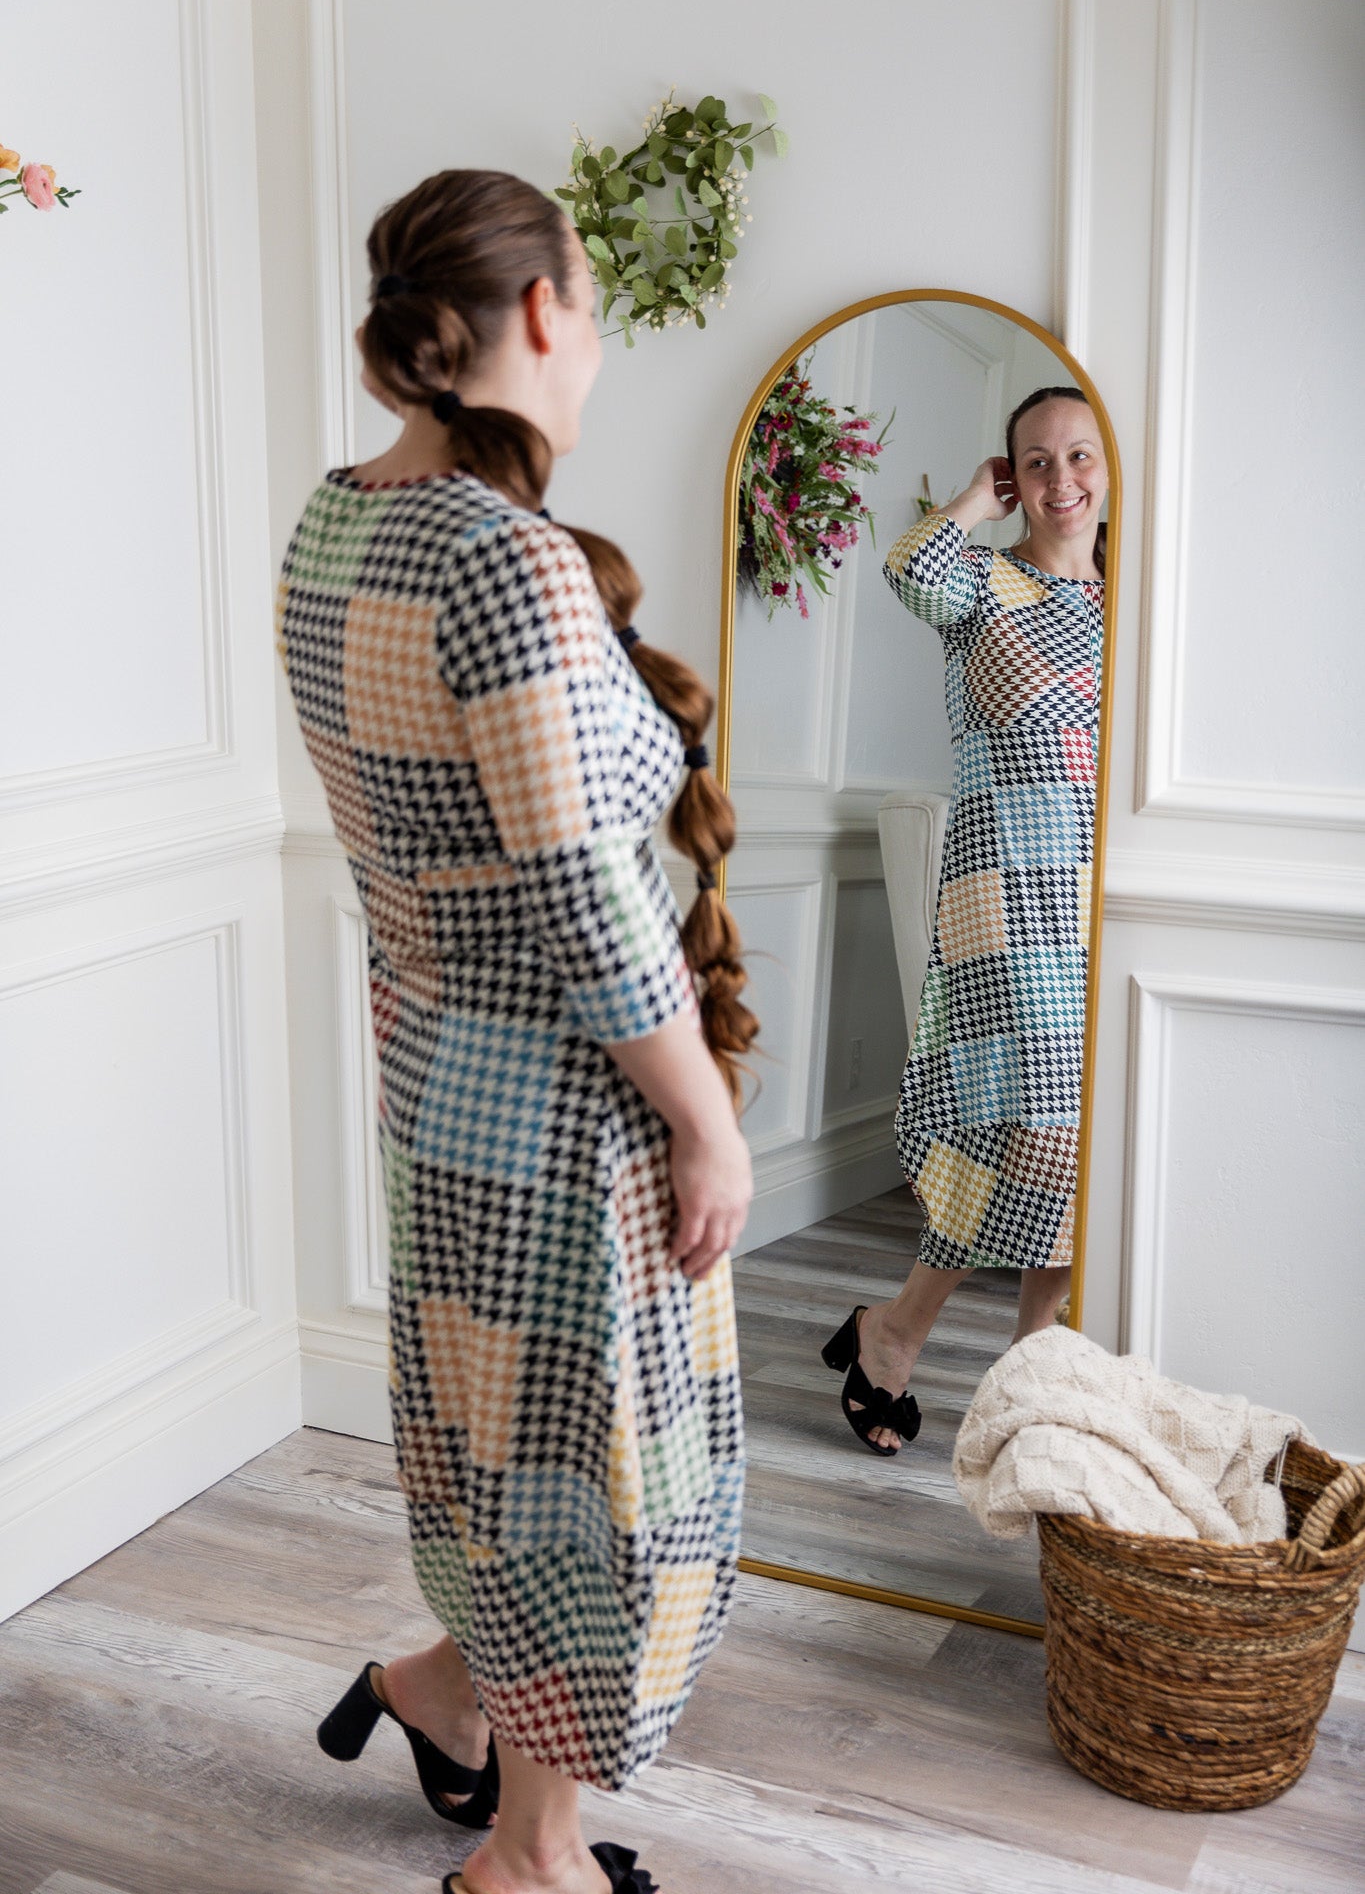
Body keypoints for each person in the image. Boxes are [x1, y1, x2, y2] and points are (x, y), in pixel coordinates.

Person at [276, 170, 756, 1894]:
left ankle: (441, 1689)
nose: (604, 337)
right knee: (587, 1480)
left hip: (435, 1070)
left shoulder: (335, 523)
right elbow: (590, 906)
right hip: (565, 1100)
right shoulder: (508, 562)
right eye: (598, 302)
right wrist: (706, 1120)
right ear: (543, 309)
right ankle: (528, 1867)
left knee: (505, 1441)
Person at [821, 386, 1105, 1455]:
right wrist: (969, 507)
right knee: (1031, 1129)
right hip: (1000, 895)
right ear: (1009, 474)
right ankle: (898, 1331)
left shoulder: (1131, 602)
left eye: (1080, 456)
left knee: (1078, 1144)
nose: (1061, 480)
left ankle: (1028, 1379)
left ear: (1109, 467)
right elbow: (907, 570)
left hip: (1095, 900)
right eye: (1035, 461)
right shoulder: (981, 581)